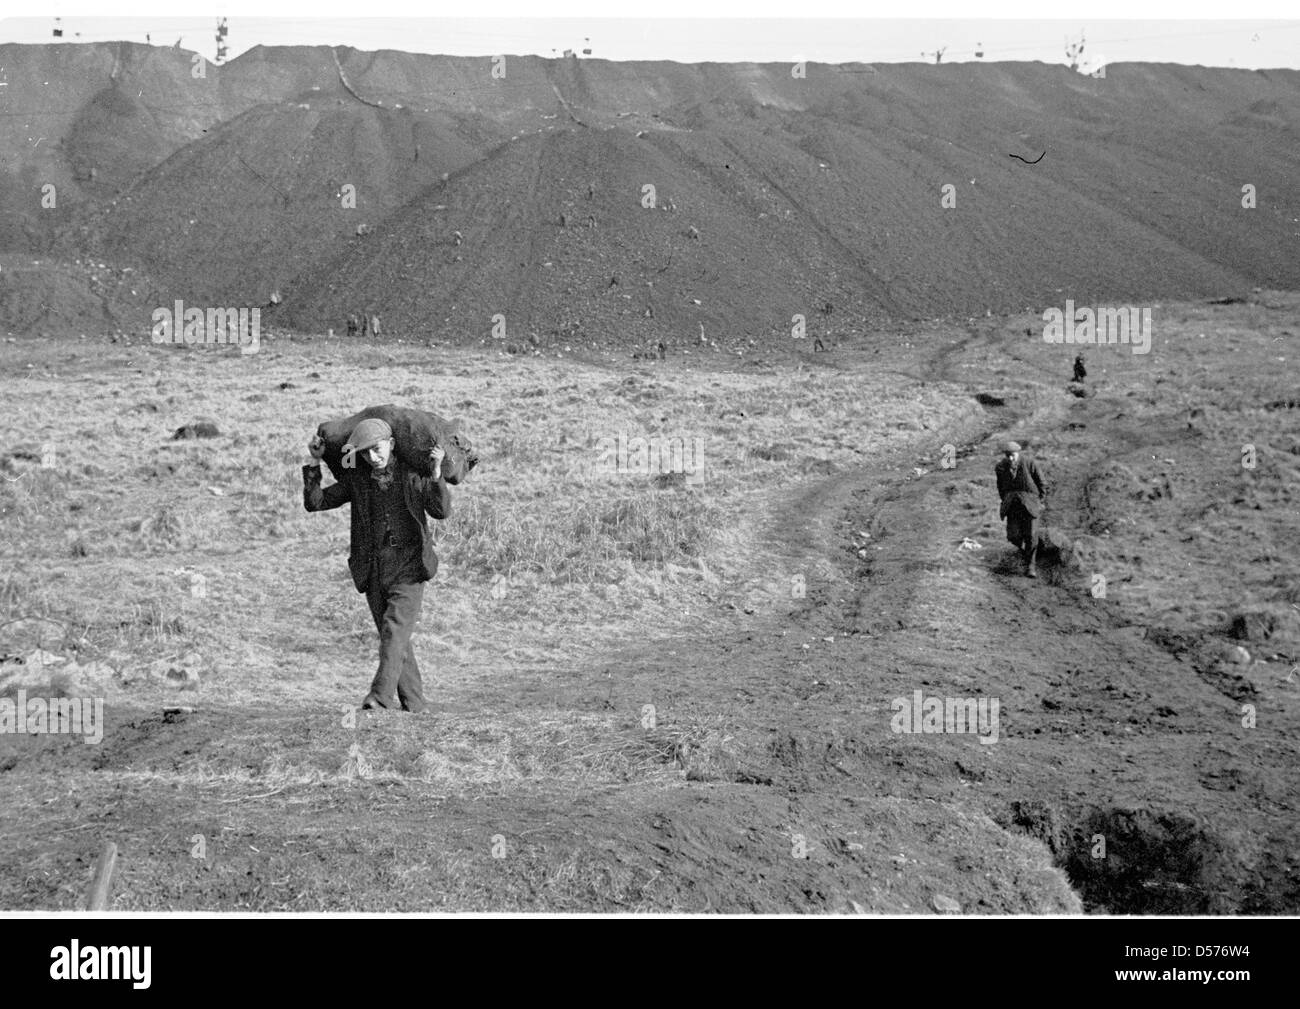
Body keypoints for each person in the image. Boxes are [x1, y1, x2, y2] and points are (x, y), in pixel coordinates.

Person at [304, 418, 452, 712]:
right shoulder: (358, 481)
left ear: (392, 445)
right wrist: (314, 462)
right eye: (367, 452)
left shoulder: (413, 475)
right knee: (395, 639)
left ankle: (380, 697)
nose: (374, 456)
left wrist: (436, 474)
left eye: (378, 449)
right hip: (373, 570)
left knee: (394, 631)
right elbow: (316, 502)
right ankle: (415, 704)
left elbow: (441, 511)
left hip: (409, 568)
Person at [995, 440, 1047, 578]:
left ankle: (1031, 566)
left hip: (1030, 504)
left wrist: (1039, 501)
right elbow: (1000, 487)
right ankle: (1026, 553)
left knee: (1030, 535)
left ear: (1018, 453)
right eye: (1007, 455)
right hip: (1013, 505)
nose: (1010, 458)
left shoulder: (1030, 463)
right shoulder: (1000, 467)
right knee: (1013, 536)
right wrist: (1005, 500)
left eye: (1012, 455)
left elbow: (1042, 483)